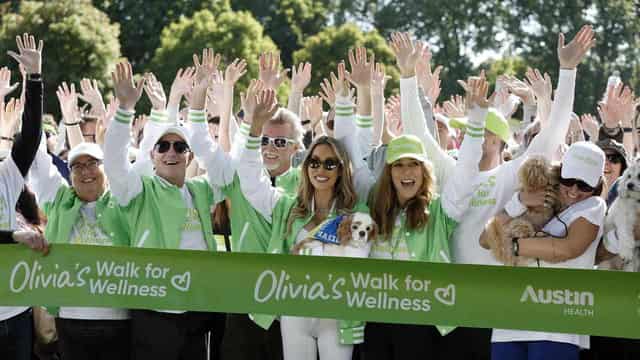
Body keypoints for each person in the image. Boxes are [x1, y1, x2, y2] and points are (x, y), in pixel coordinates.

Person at [236, 83, 367, 359]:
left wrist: (307, 247)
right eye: (314, 162)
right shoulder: (287, 206)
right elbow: (249, 181)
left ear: (341, 169)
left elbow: (357, 254)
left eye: (330, 164)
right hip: (294, 311)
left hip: (337, 314)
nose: (321, 169)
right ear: (305, 166)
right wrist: (254, 130)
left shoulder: (356, 211)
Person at [103, 58, 222, 360]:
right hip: (154, 310)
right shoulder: (140, 190)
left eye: (179, 147)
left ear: (188, 155)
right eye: (163, 146)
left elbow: (227, 172)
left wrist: (201, 98)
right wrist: (125, 109)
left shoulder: (200, 190)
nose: (172, 152)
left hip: (197, 308)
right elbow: (115, 164)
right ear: (152, 155)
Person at [481, 141, 606, 360]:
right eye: (569, 180)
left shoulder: (594, 206)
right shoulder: (533, 197)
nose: (574, 190)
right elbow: (484, 239)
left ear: (596, 186)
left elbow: (567, 249)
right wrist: (520, 201)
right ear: (560, 173)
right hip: (510, 317)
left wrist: (512, 246)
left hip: (557, 323)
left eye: (584, 185)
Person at [0, 33, 45, 360]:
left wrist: (35, 79)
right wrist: (14, 235)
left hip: (15, 311)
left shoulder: (5, 173)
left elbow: (30, 134)